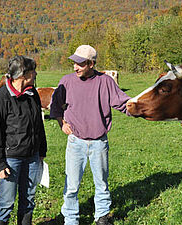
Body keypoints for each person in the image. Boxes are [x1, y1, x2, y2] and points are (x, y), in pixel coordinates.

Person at [50, 45, 131, 225]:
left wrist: (146, 108)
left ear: (91, 64)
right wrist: (61, 122)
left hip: (99, 142)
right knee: (71, 184)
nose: (75, 67)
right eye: (74, 63)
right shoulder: (66, 81)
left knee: (101, 183)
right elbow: (55, 105)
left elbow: (124, 103)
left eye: (80, 63)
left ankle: (101, 216)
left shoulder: (106, 82)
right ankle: (70, 219)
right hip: (75, 142)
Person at [0, 56, 47, 225]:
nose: (35, 74)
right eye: (33, 71)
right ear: (23, 75)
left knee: (28, 200)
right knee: (6, 203)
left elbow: (38, 124)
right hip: (10, 160)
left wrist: (41, 150)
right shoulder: (0, 99)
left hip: (32, 157)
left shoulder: (32, 93)